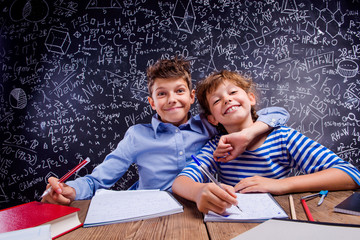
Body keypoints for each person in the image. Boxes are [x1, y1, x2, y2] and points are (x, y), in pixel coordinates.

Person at [41, 57, 289, 205]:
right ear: (152, 102)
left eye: (179, 91)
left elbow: (277, 113)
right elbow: (98, 180)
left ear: (192, 97)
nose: (172, 99)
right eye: (162, 93)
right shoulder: (137, 135)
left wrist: (246, 135)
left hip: (200, 209)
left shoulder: (211, 123)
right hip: (148, 211)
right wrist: (70, 190)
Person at [172, 70, 360, 215]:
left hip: (284, 219)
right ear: (213, 118)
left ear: (251, 98)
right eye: (217, 100)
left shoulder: (283, 138)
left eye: (233, 92)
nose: (227, 99)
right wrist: (198, 192)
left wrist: (281, 184)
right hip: (232, 224)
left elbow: (351, 174)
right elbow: (180, 182)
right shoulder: (217, 147)